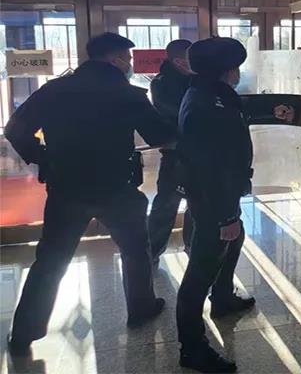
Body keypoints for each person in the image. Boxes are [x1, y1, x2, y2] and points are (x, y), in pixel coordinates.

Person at [5, 32, 175, 356]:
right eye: (127, 58)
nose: (129, 65)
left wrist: (43, 156)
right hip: (118, 187)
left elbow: (15, 129)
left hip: (67, 188)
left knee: (51, 260)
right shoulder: (128, 94)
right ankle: (141, 308)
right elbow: (160, 135)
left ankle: (24, 332)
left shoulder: (53, 90)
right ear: (114, 59)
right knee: (135, 251)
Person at [176, 37, 293, 372]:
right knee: (201, 271)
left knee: (234, 239)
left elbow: (235, 123)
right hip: (213, 200)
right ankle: (192, 348)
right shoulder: (209, 105)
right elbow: (214, 167)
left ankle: (223, 297)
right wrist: (225, 216)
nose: (239, 72)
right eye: (236, 66)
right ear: (226, 69)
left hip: (214, 195)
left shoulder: (208, 94)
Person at [148, 39, 194, 267]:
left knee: (197, 203)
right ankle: (152, 251)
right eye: (189, 58)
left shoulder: (196, 79)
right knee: (166, 204)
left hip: (198, 151)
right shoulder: (161, 83)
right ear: (178, 61)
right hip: (174, 152)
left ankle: (193, 247)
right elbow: (177, 112)